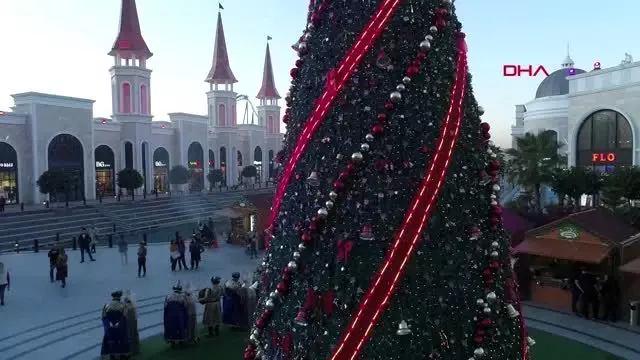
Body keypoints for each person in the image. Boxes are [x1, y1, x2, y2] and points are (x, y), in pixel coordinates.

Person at [100, 290, 131, 359]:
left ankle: (111, 355)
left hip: (110, 328)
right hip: (119, 327)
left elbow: (103, 317)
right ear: (119, 297)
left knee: (110, 341)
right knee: (122, 340)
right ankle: (123, 354)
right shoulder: (123, 305)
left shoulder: (106, 305)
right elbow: (125, 317)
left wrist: (108, 326)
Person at [123, 290, 140, 356]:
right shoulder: (133, 305)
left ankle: (132, 350)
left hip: (130, 319)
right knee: (134, 333)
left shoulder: (127, 306)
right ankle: (135, 349)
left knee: (130, 334)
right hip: (133, 319)